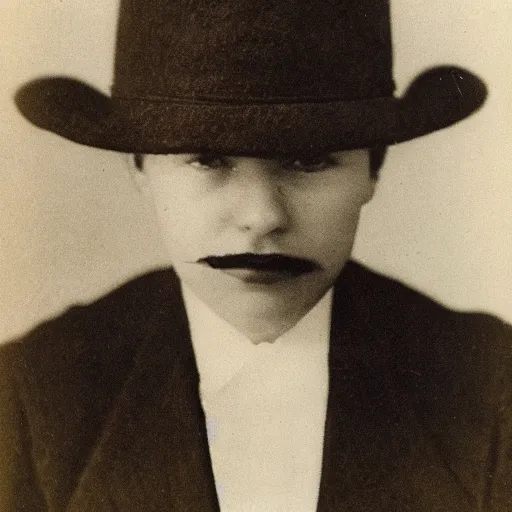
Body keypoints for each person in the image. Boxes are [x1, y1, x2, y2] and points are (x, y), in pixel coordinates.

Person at [1, 0, 511, 510]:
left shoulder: (493, 388)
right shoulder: (32, 398)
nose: (263, 216)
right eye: (206, 158)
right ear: (140, 168)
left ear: (373, 170)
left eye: (309, 159)